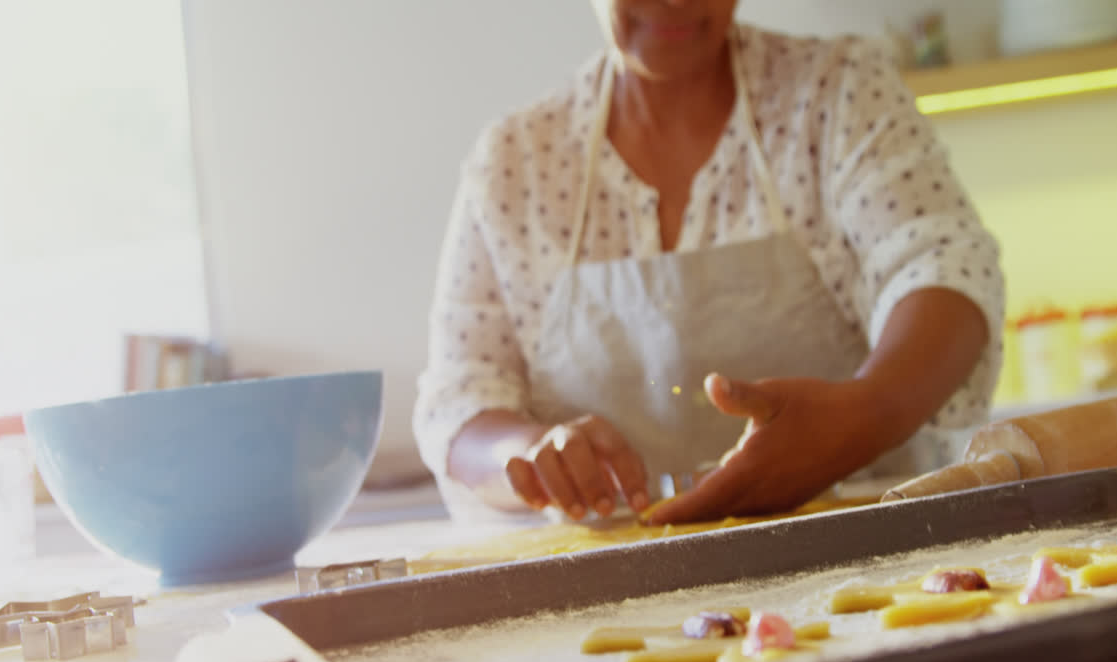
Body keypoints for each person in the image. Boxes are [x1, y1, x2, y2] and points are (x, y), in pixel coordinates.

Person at [412, 0, 1005, 527]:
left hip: (861, 567)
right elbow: (458, 404)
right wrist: (533, 454)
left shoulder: (837, 92)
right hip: (601, 610)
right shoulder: (515, 162)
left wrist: (867, 412)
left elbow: (944, 266)